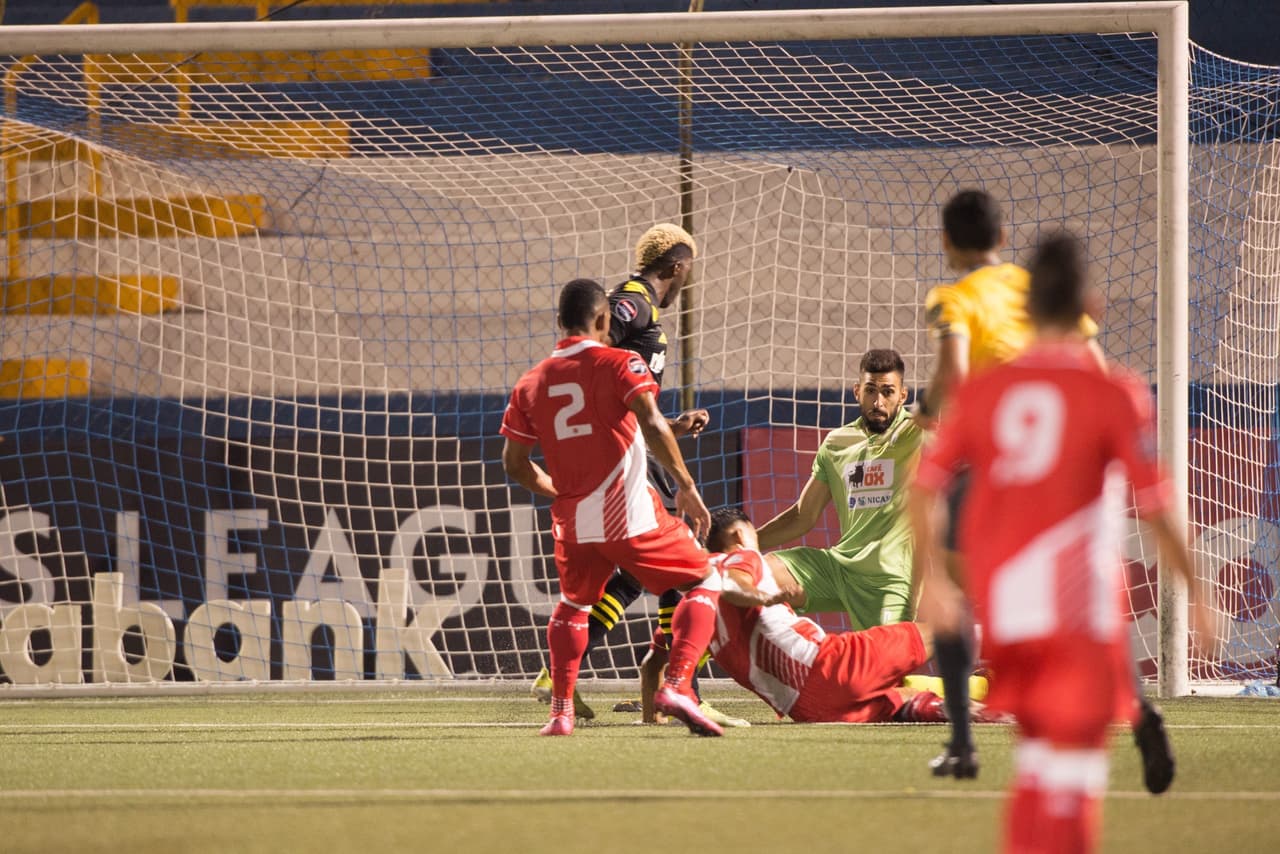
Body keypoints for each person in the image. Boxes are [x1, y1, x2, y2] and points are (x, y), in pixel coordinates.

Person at [909, 233, 1213, 853]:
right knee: (1073, 772)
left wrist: (934, 579)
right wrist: (1198, 592)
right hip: (1077, 610)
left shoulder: (984, 392)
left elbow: (924, 485)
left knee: (1038, 762)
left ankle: (980, 759)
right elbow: (1156, 505)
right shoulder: (1115, 392)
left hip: (1009, 605)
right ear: (1091, 309)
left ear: (1024, 313)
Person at [528, 224, 745, 727]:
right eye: (690, 269)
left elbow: (613, 389)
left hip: (635, 447)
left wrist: (669, 426)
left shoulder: (640, 306)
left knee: (630, 576)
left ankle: (562, 677)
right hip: (625, 458)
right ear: (678, 266)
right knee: (686, 563)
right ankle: (680, 687)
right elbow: (595, 356)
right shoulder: (634, 302)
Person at [641, 508, 1004, 726]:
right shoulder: (740, 558)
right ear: (740, 534)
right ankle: (1027, 649)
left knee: (903, 702)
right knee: (944, 629)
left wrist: (651, 716)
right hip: (831, 664)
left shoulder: (692, 612)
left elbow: (652, 665)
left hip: (809, 709)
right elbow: (734, 583)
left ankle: (979, 710)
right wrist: (764, 595)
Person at [755, 348, 925, 631]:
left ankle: (972, 664)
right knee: (750, 574)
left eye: (888, 392)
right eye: (870, 391)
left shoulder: (916, 434)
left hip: (889, 581)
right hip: (839, 569)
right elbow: (803, 516)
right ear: (857, 391)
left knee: (884, 661)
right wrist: (745, 546)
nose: (878, 402)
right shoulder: (837, 443)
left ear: (903, 396)